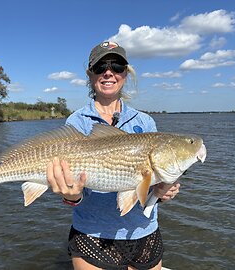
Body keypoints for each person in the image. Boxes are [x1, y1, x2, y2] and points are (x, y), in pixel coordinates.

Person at [46, 41, 181, 270]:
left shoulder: (145, 122)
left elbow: (148, 183)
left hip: (144, 232)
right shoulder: (77, 122)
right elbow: (73, 194)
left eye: (117, 66)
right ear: (90, 75)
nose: (109, 72)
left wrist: (162, 190)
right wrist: (72, 196)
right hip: (92, 234)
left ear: (125, 74)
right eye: (101, 67)